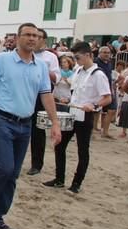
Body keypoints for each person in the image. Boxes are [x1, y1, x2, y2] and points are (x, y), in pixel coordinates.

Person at [0, 23, 61, 229]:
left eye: (36, 36)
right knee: (4, 167)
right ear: (19, 37)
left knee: (13, 173)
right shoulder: (3, 60)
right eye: (28, 35)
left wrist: (55, 122)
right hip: (2, 119)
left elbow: (46, 95)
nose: (32, 38)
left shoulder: (40, 66)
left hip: (25, 123)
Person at [43, 42, 111, 193]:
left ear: (88, 55)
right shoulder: (78, 70)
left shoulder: (98, 74)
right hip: (71, 114)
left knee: (82, 150)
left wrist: (94, 105)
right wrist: (68, 100)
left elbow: (107, 98)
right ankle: (59, 179)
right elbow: (75, 90)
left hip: (85, 116)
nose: (76, 60)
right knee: (60, 146)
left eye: (78, 57)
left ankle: (76, 183)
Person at [27, 28, 61, 176]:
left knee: (37, 131)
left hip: (40, 96)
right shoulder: (26, 53)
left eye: (39, 37)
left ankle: (36, 164)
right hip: (25, 94)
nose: (35, 39)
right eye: (33, 36)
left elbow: (57, 77)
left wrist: (42, 70)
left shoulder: (50, 57)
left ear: (44, 40)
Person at [95, 46, 118, 138]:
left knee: (112, 110)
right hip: (98, 89)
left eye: (108, 53)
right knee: (96, 110)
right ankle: (94, 129)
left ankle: (105, 131)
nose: (106, 54)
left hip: (108, 89)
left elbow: (109, 77)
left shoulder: (109, 62)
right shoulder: (96, 62)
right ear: (99, 53)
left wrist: (112, 87)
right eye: (104, 52)